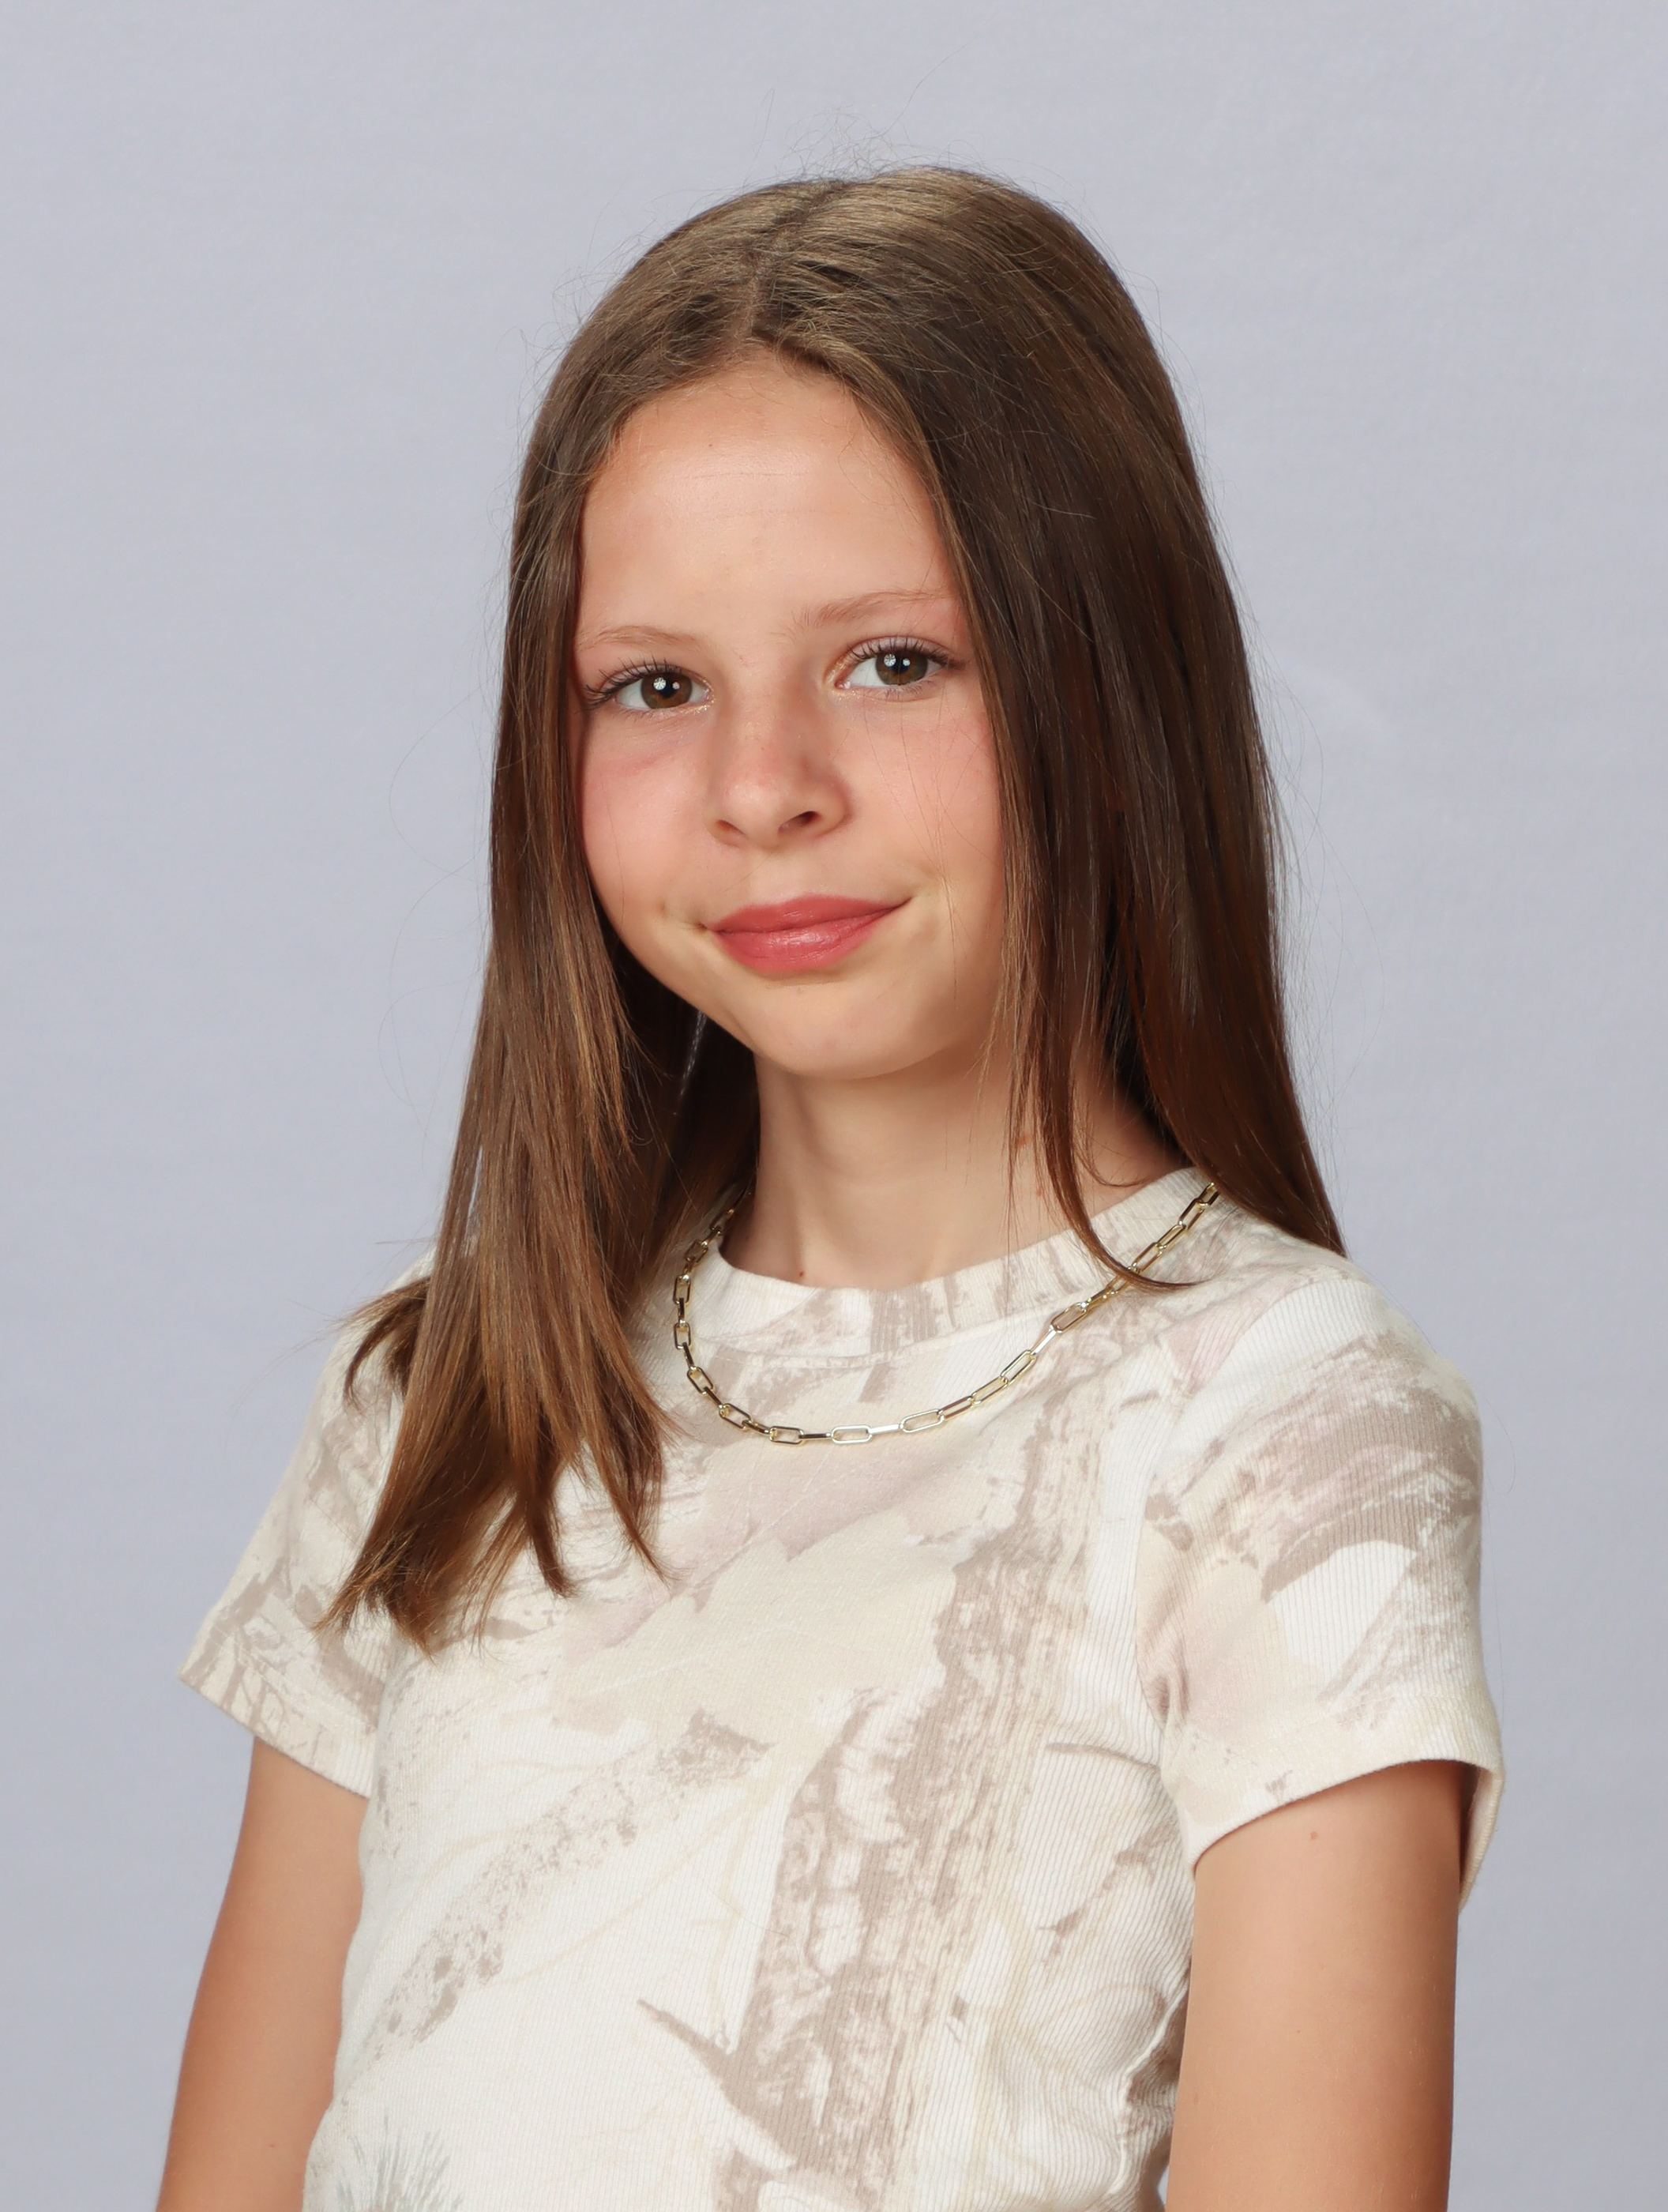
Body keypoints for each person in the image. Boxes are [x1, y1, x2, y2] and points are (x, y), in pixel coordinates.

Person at [156, 168, 1503, 2212]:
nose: (762, 786)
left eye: (891, 662)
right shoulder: (446, 1409)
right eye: (656, 686)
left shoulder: (1283, 1433)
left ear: (1108, 686)